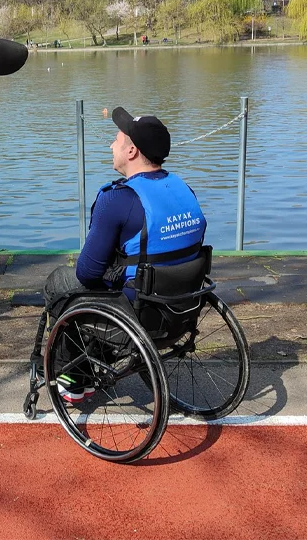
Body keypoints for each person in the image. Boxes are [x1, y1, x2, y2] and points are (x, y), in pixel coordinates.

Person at [42, 106, 207, 403]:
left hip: (140, 311)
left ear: (131, 151)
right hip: (182, 306)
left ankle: (72, 376)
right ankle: (93, 358)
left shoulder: (116, 198)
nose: (111, 145)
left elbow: (87, 273)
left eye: (116, 140)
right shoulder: (184, 189)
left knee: (59, 282)